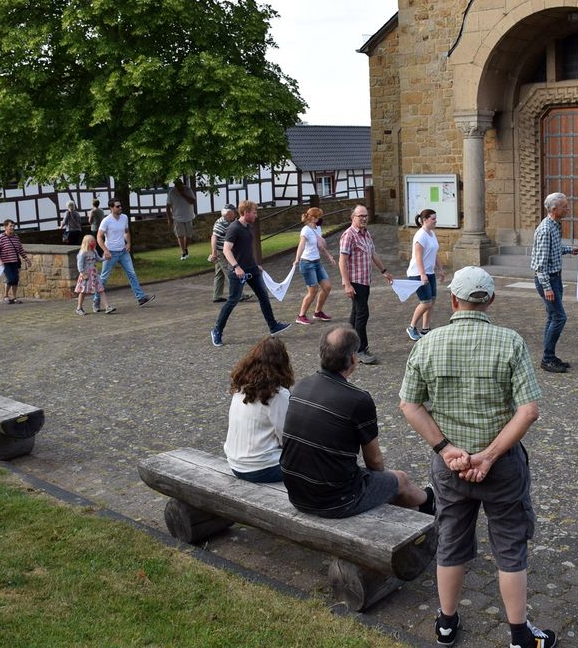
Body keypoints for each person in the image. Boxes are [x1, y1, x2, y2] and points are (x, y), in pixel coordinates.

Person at [399, 266, 556, 648]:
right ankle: (520, 635)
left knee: (450, 539)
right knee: (509, 546)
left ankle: (447, 624)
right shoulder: (511, 342)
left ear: (453, 300)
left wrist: (446, 448)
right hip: (501, 467)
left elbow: (410, 404)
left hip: (450, 468)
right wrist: (487, 456)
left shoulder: (428, 343)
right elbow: (528, 410)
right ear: (490, 301)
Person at [280, 325, 434, 518]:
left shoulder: (302, 386)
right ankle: (430, 503)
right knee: (400, 480)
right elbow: (374, 461)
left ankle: (421, 508)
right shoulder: (358, 399)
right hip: (335, 500)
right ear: (353, 358)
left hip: (297, 493)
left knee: (398, 496)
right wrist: (380, 483)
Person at [210, 200, 290, 347]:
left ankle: (273, 326)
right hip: (237, 272)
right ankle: (217, 330)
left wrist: (255, 265)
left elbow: (245, 250)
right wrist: (236, 267)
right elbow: (227, 250)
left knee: (263, 296)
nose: (256, 215)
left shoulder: (249, 227)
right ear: (246, 213)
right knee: (233, 300)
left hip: (251, 269)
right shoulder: (234, 228)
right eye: (254, 212)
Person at [223, 337, 294, 483]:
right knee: (315, 461)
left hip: (235, 464)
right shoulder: (278, 394)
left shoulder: (241, 387)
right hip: (263, 468)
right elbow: (286, 437)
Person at [530, 193, 578, 372]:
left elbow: (554, 249)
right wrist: (547, 287)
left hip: (555, 277)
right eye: (565, 206)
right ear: (554, 210)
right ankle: (547, 358)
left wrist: (570, 250)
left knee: (552, 317)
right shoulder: (545, 229)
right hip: (548, 279)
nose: (568, 209)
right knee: (559, 317)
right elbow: (541, 263)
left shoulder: (554, 225)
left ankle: (549, 355)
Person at [338, 205, 393, 364]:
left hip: (365, 281)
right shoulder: (349, 236)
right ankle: (361, 350)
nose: (363, 218)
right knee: (362, 314)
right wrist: (347, 284)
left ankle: (348, 346)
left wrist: (384, 271)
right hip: (355, 282)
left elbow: (373, 253)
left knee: (356, 314)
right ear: (352, 217)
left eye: (365, 216)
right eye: (360, 216)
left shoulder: (366, 233)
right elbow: (342, 262)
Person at [94, 198, 155, 310]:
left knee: (132, 274)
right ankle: (96, 301)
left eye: (120, 206)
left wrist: (128, 243)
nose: (120, 208)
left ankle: (141, 298)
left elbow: (126, 232)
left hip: (123, 252)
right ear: (111, 208)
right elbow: (99, 237)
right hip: (110, 253)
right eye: (117, 206)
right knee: (103, 278)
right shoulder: (106, 221)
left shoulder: (124, 217)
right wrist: (105, 250)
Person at [405, 208, 445, 341]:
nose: (435, 221)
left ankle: (425, 329)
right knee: (426, 302)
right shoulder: (420, 235)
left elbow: (434, 253)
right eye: (433, 219)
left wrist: (440, 269)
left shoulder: (432, 234)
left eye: (435, 218)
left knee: (431, 302)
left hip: (429, 272)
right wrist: (422, 274)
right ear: (425, 220)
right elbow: (418, 257)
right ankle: (411, 327)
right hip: (418, 273)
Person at [293, 207, 337, 325]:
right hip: (307, 263)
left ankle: (318, 312)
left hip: (317, 262)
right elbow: (301, 245)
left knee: (327, 287)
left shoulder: (318, 229)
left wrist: (329, 257)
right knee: (313, 291)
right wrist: (297, 259)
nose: (321, 219)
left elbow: (320, 247)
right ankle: (301, 316)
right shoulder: (305, 230)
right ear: (313, 218)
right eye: (319, 217)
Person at [208, 204, 251, 303]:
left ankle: (217, 295)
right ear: (228, 213)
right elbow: (214, 238)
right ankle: (239, 295)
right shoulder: (220, 223)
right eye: (233, 213)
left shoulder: (231, 221)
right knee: (230, 273)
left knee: (219, 274)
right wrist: (214, 253)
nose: (234, 214)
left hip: (224, 251)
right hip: (222, 252)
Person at [0, 219, 33, 304]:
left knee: (16, 279)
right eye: (10, 226)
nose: (12, 227)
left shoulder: (16, 237)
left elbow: (20, 249)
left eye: (13, 226)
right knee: (10, 278)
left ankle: (15, 297)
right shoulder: (1, 237)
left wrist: (27, 259)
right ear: (5, 227)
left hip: (15, 261)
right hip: (5, 262)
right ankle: (6, 296)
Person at [74, 234, 114, 315]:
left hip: (94, 274)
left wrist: (105, 258)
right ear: (86, 242)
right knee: (83, 291)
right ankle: (79, 308)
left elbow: (98, 259)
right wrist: (82, 273)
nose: (93, 242)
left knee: (101, 290)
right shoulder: (82, 253)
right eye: (91, 241)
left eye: (93, 241)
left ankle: (107, 307)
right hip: (86, 275)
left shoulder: (94, 251)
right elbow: (79, 264)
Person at [166, 178, 197, 260]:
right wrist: (169, 218)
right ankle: (183, 252)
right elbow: (168, 206)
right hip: (177, 218)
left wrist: (183, 195)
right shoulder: (172, 192)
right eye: (177, 186)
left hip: (188, 216)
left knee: (189, 235)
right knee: (180, 235)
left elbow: (193, 201)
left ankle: (186, 248)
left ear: (182, 184)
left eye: (180, 185)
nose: (179, 187)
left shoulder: (188, 190)